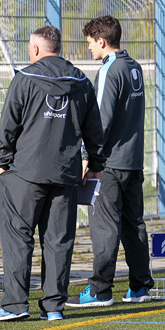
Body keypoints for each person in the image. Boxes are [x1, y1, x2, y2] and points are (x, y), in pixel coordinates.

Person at [0, 25, 105, 321]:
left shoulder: (25, 78)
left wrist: (3, 159)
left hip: (25, 173)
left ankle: (15, 305)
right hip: (65, 173)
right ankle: (54, 307)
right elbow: (94, 129)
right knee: (58, 241)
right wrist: (95, 166)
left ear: (37, 49)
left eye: (30, 49)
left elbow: (9, 125)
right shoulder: (80, 80)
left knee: (18, 238)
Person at [66, 16, 154, 307]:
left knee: (104, 227)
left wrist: (87, 159)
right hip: (133, 161)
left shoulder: (109, 70)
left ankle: (100, 290)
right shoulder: (134, 67)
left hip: (109, 165)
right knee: (134, 224)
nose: (89, 48)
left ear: (101, 41)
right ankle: (140, 286)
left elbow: (100, 121)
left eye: (89, 42)